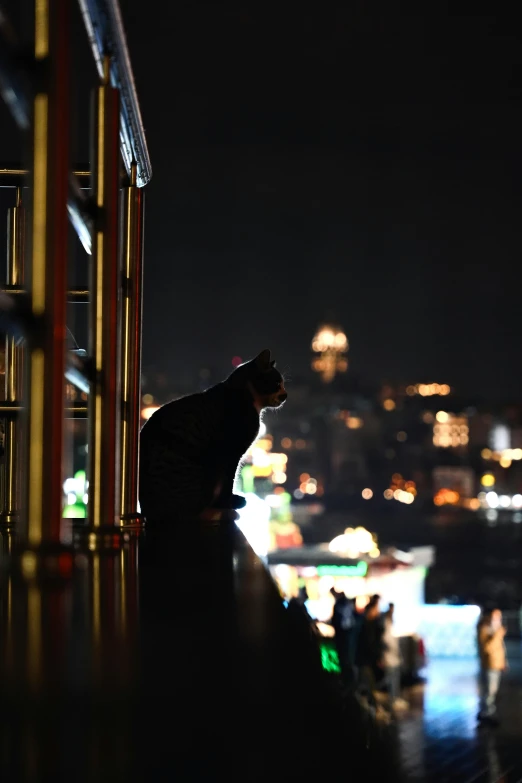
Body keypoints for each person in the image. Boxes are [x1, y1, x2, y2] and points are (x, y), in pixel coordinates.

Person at [477, 607, 507, 726]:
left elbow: (500, 649)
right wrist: (498, 635)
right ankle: (486, 713)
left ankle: (487, 712)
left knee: (492, 690)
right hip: (489, 665)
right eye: (496, 617)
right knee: (489, 690)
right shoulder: (484, 630)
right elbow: (487, 648)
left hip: (496, 665)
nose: (498, 620)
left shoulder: (494, 630)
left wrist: (503, 662)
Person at [355, 597, 384, 704]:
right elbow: (370, 644)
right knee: (368, 685)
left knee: (368, 685)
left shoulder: (366, 623)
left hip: (365, 661)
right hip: (365, 661)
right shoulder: (368, 625)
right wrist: (377, 658)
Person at [382, 603, 408, 712]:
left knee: (394, 678)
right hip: (390, 657)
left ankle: (394, 698)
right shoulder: (386, 625)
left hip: (393, 657)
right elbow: (389, 641)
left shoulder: (389, 624)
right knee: (392, 679)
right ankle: (393, 700)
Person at [330, 588, 356, 686]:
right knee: (347, 658)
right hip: (348, 635)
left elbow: (336, 621)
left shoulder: (339, 604)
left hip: (343, 636)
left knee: (344, 659)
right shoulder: (347, 603)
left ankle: (345, 680)